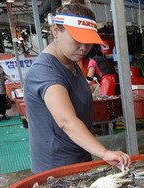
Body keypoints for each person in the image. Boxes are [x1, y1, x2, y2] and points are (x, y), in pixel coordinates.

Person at [24, 0, 130, 173]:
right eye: (77, 40)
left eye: (89, 42)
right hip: (56, 167)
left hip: (79, 156)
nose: (83, 48)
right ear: (56, 31)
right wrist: (104, 152)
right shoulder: (45, 72)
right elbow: (66, 121)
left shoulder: (71, 62)